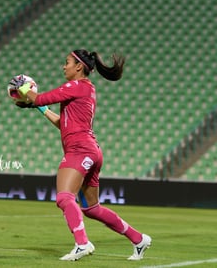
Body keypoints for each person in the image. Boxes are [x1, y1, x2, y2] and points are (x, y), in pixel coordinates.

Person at [14, 49, 151, 261]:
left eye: (67, 62)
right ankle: (139, 239)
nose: (63, 66)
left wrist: (23, 87)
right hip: (91, 150)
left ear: (79, 66)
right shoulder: (84, 89)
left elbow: (40, 98)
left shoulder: (76, 86)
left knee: (64, 197)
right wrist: (39, 109)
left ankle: (82, 243)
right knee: (92, 208)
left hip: (80, 150)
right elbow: (63, 123)